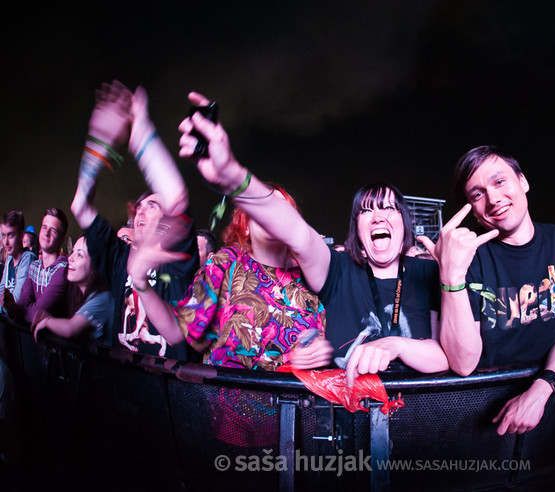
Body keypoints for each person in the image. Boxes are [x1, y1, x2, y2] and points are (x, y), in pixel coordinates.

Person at [172, 91, 448, 384]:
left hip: (417, 417)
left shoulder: (427, 273)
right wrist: (233, 177)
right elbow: (299, 234)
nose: (379, 216)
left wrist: (396, 344)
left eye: (389, 208)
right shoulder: (339, 270)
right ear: (356, 227)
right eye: (366, 211)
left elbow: (450, 357)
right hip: (334, 414)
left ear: (406, 224)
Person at [418, 145, 555, 435]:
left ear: (523, 182)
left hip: (552, 397)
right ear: (472, 210)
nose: (493, 198)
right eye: (477, 194)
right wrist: (451, 274)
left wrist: (542, 389)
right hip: (482, 415)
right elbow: (463, 364)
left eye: (499, 182)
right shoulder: (470, 260)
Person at [128, 188, 327, 370]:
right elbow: (175, 331)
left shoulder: (312, 272)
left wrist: (322, 350)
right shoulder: (225, 264)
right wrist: (141, 283)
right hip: (232, 400)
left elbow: (335, 336)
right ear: (246, 227)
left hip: (299, 401)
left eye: (283, 208)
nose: (274, 213)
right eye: (264, 206)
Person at [70, 81, 198, 359]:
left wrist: (140, 132)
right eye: (139, 207)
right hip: (123, 388)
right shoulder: (119, 257)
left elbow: (175, 197)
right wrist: (98, 142)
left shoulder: (175, 255)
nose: (141, 211)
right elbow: (80, 205)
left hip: (171, 393)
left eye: (152, 206)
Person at [31, 236, 113, 341]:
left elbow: (70, 328)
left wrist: (48, 321)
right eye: (73, 251)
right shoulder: (77, 292)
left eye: (79, 255)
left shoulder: (103, 298)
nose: (70, 258)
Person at [3, 208, 69, 324]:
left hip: (57, 340)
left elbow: (39, 311)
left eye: (53, 230)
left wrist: (16, 310)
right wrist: (13, 307)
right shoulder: (34, 266)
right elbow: (22, 303)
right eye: (44, 227)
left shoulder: (63, 269)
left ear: (62, 239)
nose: (46, 233)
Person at [0, 211, 37, 314]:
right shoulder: (9, 260)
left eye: (10, 235)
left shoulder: (28, 258)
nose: (6, 242)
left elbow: (16, 301)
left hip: (19, 324)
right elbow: (1, 290)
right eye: (3, 236)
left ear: (21, 235)